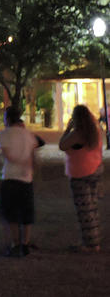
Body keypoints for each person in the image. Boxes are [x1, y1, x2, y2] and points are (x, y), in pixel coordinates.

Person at [0, 105, 45, 257]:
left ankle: (15, 243)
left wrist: (16, 160)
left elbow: (7, 156)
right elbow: (36, 147)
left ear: (7, 119)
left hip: (10, 176)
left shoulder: (3, 135)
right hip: (26, 176)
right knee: (26, 211)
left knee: (10, 212)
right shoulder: (28, 135)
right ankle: (25, 243)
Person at [59, 105, 104, 253]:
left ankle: (91, 244)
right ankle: (93, 240)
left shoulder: (78, 134)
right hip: (95, 170)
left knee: (84, 211)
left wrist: (67, 129)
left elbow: (62, 145)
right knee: (92, 208)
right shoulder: (95, 131)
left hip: (81, 173)